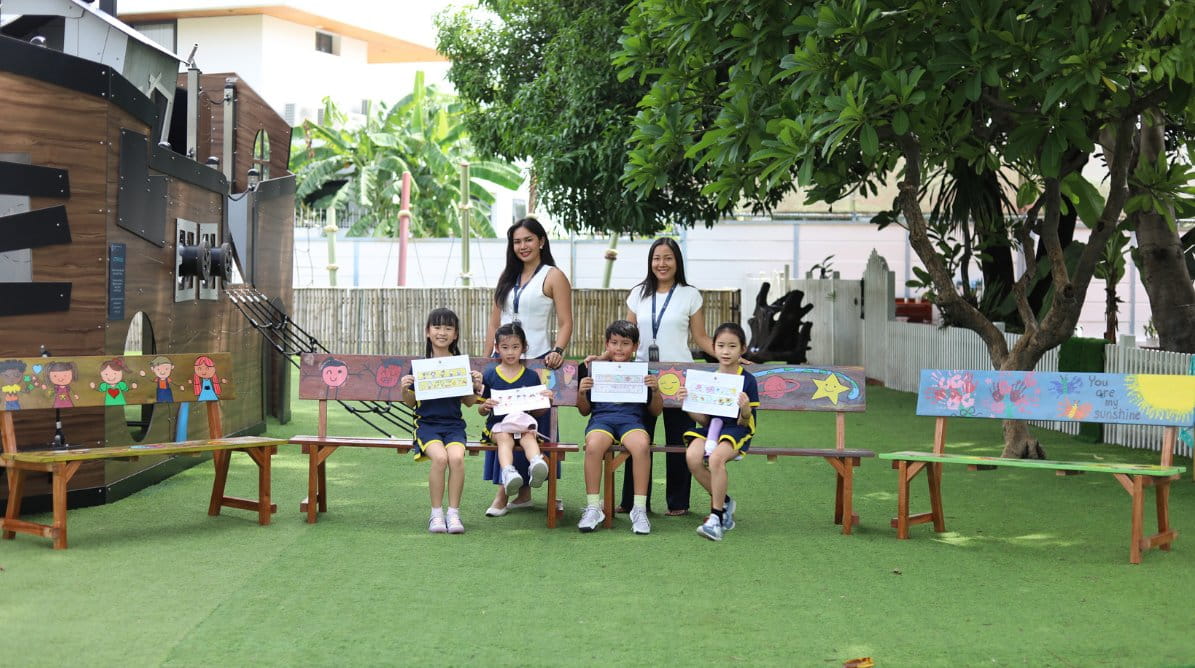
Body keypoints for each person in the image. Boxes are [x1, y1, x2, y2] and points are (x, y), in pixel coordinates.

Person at [482, 216, 573, 515]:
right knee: (504, 425)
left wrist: (558, 350)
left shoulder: (553, 276)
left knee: (534, 426)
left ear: (541, 241)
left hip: (537, 364)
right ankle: (513, 494)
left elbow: (565, 322)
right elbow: (494, 324)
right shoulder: (506, 277)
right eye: (517, 241)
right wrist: (487, 362)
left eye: (528, 240)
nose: (522, 246)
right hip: (504, 362)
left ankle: (520, 494)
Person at [620, 237, 715, 516]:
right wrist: (603, 356)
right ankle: (633, 501)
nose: (661, 264)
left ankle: (678, 503)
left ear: (677, 262)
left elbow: (700, 337)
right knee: (636, 437)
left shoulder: (690, 294)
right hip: (642, 375)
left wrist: (729, 356)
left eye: (668, 258)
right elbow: (627, 335)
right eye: (656, 258)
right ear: (650, 262)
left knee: (678, 439)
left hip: (680, 376)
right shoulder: (638, 293)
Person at [400, 308, 484, 535]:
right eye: (437, 327)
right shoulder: (421, 366)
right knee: (440, 459)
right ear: (427, 332)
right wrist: (404, 388)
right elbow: (410, 402)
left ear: (455, 334)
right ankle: (436, 514)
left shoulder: (459, 365)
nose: (442, 332)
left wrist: (475, 387)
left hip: (454, 426)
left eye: (448, 328)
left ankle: (453, 513)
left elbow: (468, 402)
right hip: (427, 426)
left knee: (456, 459)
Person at [575, 320, 663, 534]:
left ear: (635, 347)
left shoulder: (642, 371)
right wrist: (581, 392)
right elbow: (584, 411)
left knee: (641, 445)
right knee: (594, 445)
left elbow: (656, 411)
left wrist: (656, 391)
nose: (619, 348)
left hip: (631, 422)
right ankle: (594, 507)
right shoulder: (593, 369)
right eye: (614, 343)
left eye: (625, 343)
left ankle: (639, 509)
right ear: (607, 344)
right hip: (602, 421)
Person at [678, 322, 759, 542]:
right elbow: (705, 419)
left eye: (732, 346)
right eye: (721, 345)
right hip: (710, 429)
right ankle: (724, 502)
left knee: (715, 460)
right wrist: (689, 403)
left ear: (742, 349)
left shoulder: (747, 380)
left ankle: (716, 518)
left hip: (736, 430)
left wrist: (745, 409)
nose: (726, 351)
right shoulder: (709, 379)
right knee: (692, 458)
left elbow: (745, 423)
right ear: (713, 347)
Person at [478, 323, 553, 513]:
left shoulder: (531, 377)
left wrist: (545, 401)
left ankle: (536, 463)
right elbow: (482, 409)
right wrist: (484, 406)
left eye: (515, 347)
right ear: (497, 348)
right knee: (504, 437)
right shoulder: (490, 375)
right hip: (498, 426)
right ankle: (508, 472)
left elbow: (536, 413)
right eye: (504, 347)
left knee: (528, 435)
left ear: (524, 347)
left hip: (522, 424)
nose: (510, 352)